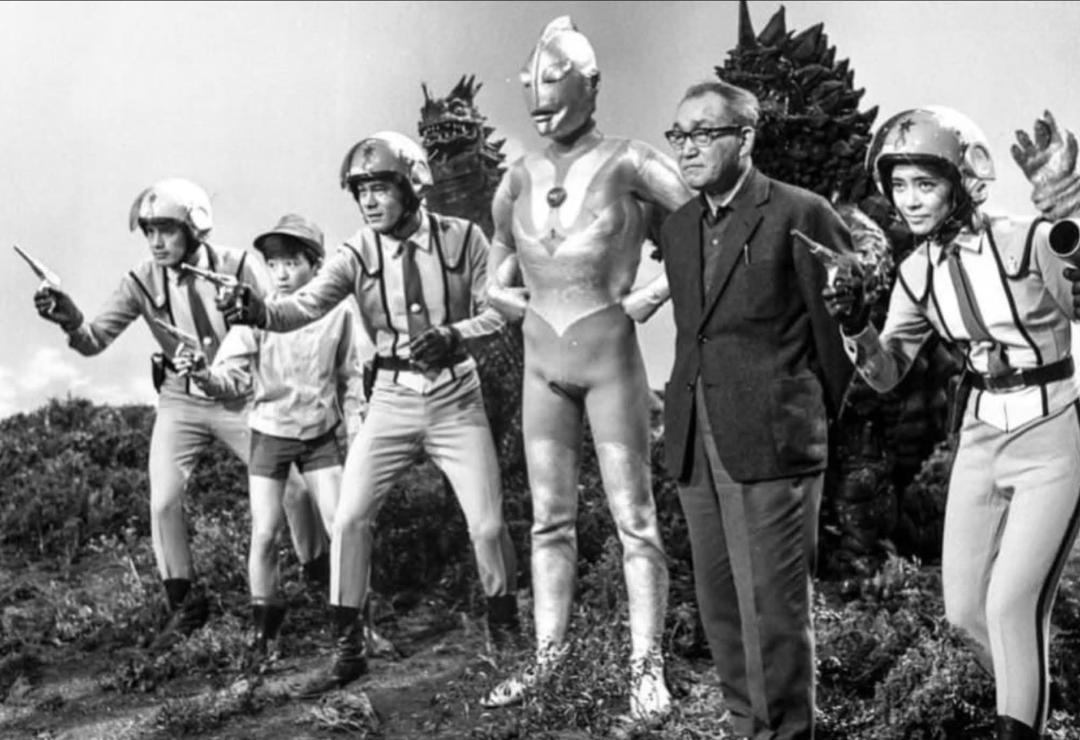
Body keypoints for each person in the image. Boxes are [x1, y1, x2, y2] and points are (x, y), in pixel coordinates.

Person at [222, 132, 520, 697]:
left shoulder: (465, 238)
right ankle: (348, 650)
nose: (369, 201)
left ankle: (505, 633)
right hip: (390, 400)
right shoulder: (357, 251)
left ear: (413, 185)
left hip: (457, 398)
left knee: (486, 523)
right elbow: (304, 305)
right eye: (360, 191)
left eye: (380, 187)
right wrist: (258, 311)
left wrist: (456, 334)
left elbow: (499, 311)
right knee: (350, 518)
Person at [822, 106, 1080, 740]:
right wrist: (854, 322)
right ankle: (1038, 709)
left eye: (925, 183)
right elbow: (886, 373)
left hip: (1052, 429)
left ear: (962, 182)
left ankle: (1020, 725)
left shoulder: (1027, 239)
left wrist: (1068, 205)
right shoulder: (916, 274)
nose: (909, 200)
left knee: (1011, 605)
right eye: (898, 185)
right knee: (965, 613)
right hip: (981, 436)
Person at [480, 16, 694, 723]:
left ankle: (646, 671)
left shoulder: (633, 162)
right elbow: (497, 262)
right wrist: (506, 300)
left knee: (636, 520)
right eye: (530, 83)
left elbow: (704, 230)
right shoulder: (517, 175)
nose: (538, 97)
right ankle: (549, 660)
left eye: (553, 80)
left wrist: (653, 294)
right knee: (549, 521)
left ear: (590, 83)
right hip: (542, 362)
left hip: (609, 360)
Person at [31, 178, 329, 649]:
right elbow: (93, 340)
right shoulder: (140, 281)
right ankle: (185, 604)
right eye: (149, 231)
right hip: (181, 399)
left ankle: (321, 579)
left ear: (195, 228)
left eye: (166, 230)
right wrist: (68, 316)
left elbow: (283, 322)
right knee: (163, 502)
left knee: (295, 492)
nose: (156, 242)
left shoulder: (240, 266)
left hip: (241, 397)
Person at [659, 80, 853, 740]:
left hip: (772, 442)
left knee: (772, 611)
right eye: (678, 135)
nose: (686, 148)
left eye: (703, 133)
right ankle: (747, 728)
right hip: (695, 441)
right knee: (720, 607)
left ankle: (785, 734)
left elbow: (839, 344)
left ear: (745, 138)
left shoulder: (801, 213)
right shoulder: (678, 228)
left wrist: (811, 426)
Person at [175, 213, 365, 665]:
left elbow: (352, 377)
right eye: (273, 264)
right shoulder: (254, 313)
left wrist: (357, 431)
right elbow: (228, 377)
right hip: (269, 434)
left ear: (316, 265)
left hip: (320, 434)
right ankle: (264, 637)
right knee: (265, 533)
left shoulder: (339, 313)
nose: (281, 273)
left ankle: (358, 627)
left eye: (292, 263)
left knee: (342, 526)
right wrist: (201, 374)